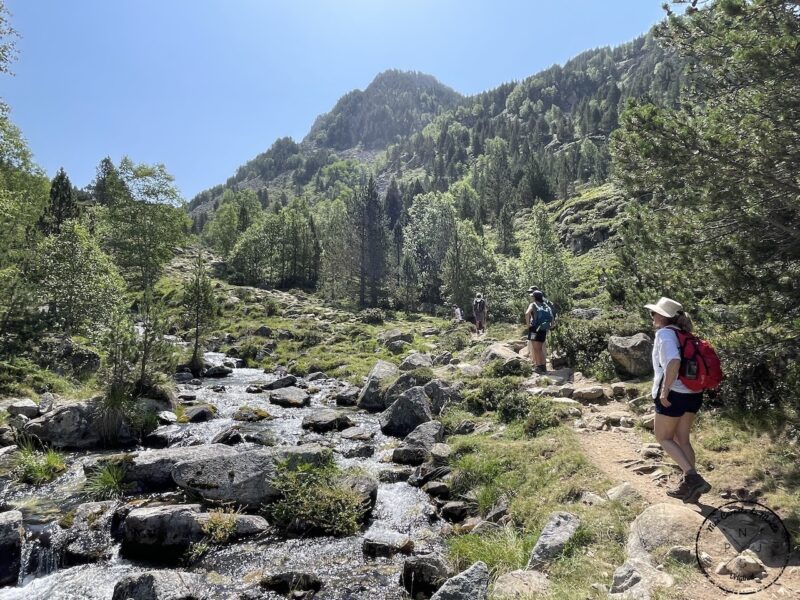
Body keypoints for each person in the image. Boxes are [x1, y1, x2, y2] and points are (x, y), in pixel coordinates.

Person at [645, 296, 712, 503]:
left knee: (663, 438)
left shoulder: (665, 334)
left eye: (654, 312)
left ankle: (692, 478)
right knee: (682, 440)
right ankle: (690, 490)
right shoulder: (685, 333)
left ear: (664, 317)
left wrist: (664, 391)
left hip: (674, 394)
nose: (652, 316)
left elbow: (673, 361)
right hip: (693, 394)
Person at [525, 290, 553, 374]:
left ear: (534, 297)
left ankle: (538, 366)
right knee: (540, 348)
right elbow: (552, 317)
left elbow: (527, 313)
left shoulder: (533, 304)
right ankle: (543, 366)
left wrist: (528, 325)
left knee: (535, 349)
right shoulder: (545, 305)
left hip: (534, 329)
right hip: (543, 329)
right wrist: (550, 326)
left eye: (532, 296)